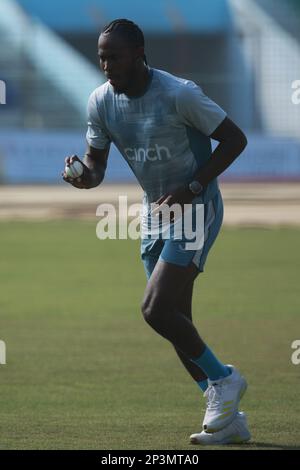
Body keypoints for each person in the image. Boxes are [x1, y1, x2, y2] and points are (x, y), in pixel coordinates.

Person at [62, 19, 250, 445]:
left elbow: (235, 140)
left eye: (115, 56)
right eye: (102, 57)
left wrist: (192, 188)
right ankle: (229, 419)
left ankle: (225, 380)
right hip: (155, 214)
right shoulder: (100, 102)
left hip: (196, 207)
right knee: (173, 320)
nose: (107, 65)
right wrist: (83, 177)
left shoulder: (179, 93)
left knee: (155, 310)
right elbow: (96, 168)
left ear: (140, 53)